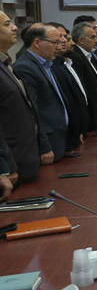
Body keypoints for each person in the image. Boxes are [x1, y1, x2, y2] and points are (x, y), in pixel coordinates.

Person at [0, 10, 51, 184]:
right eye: (7, 24)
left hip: (25, 160)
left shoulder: (6, 63)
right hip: (11, 165)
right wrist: (4, 167)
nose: (15, 28)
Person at [13, 23, 67, 163]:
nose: (59, 47)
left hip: (59, 139)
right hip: (47, 145)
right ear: (37, 42)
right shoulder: (25, 67)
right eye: (55, 42)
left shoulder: (47, 64)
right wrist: (44, 146)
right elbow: (32, 111)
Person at [48, 22, 90, 153]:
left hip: (77, 133)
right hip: (60, 140)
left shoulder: (64, 63)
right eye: (60, 37)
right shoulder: (52, 66)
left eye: (65, 37)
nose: (64, 41)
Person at [70, 21, 97, 127]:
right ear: (81, 40)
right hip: (89, 116)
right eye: (92, 37)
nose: (96, 41)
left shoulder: (89, 55)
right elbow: (83, 90)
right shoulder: (75, 57)